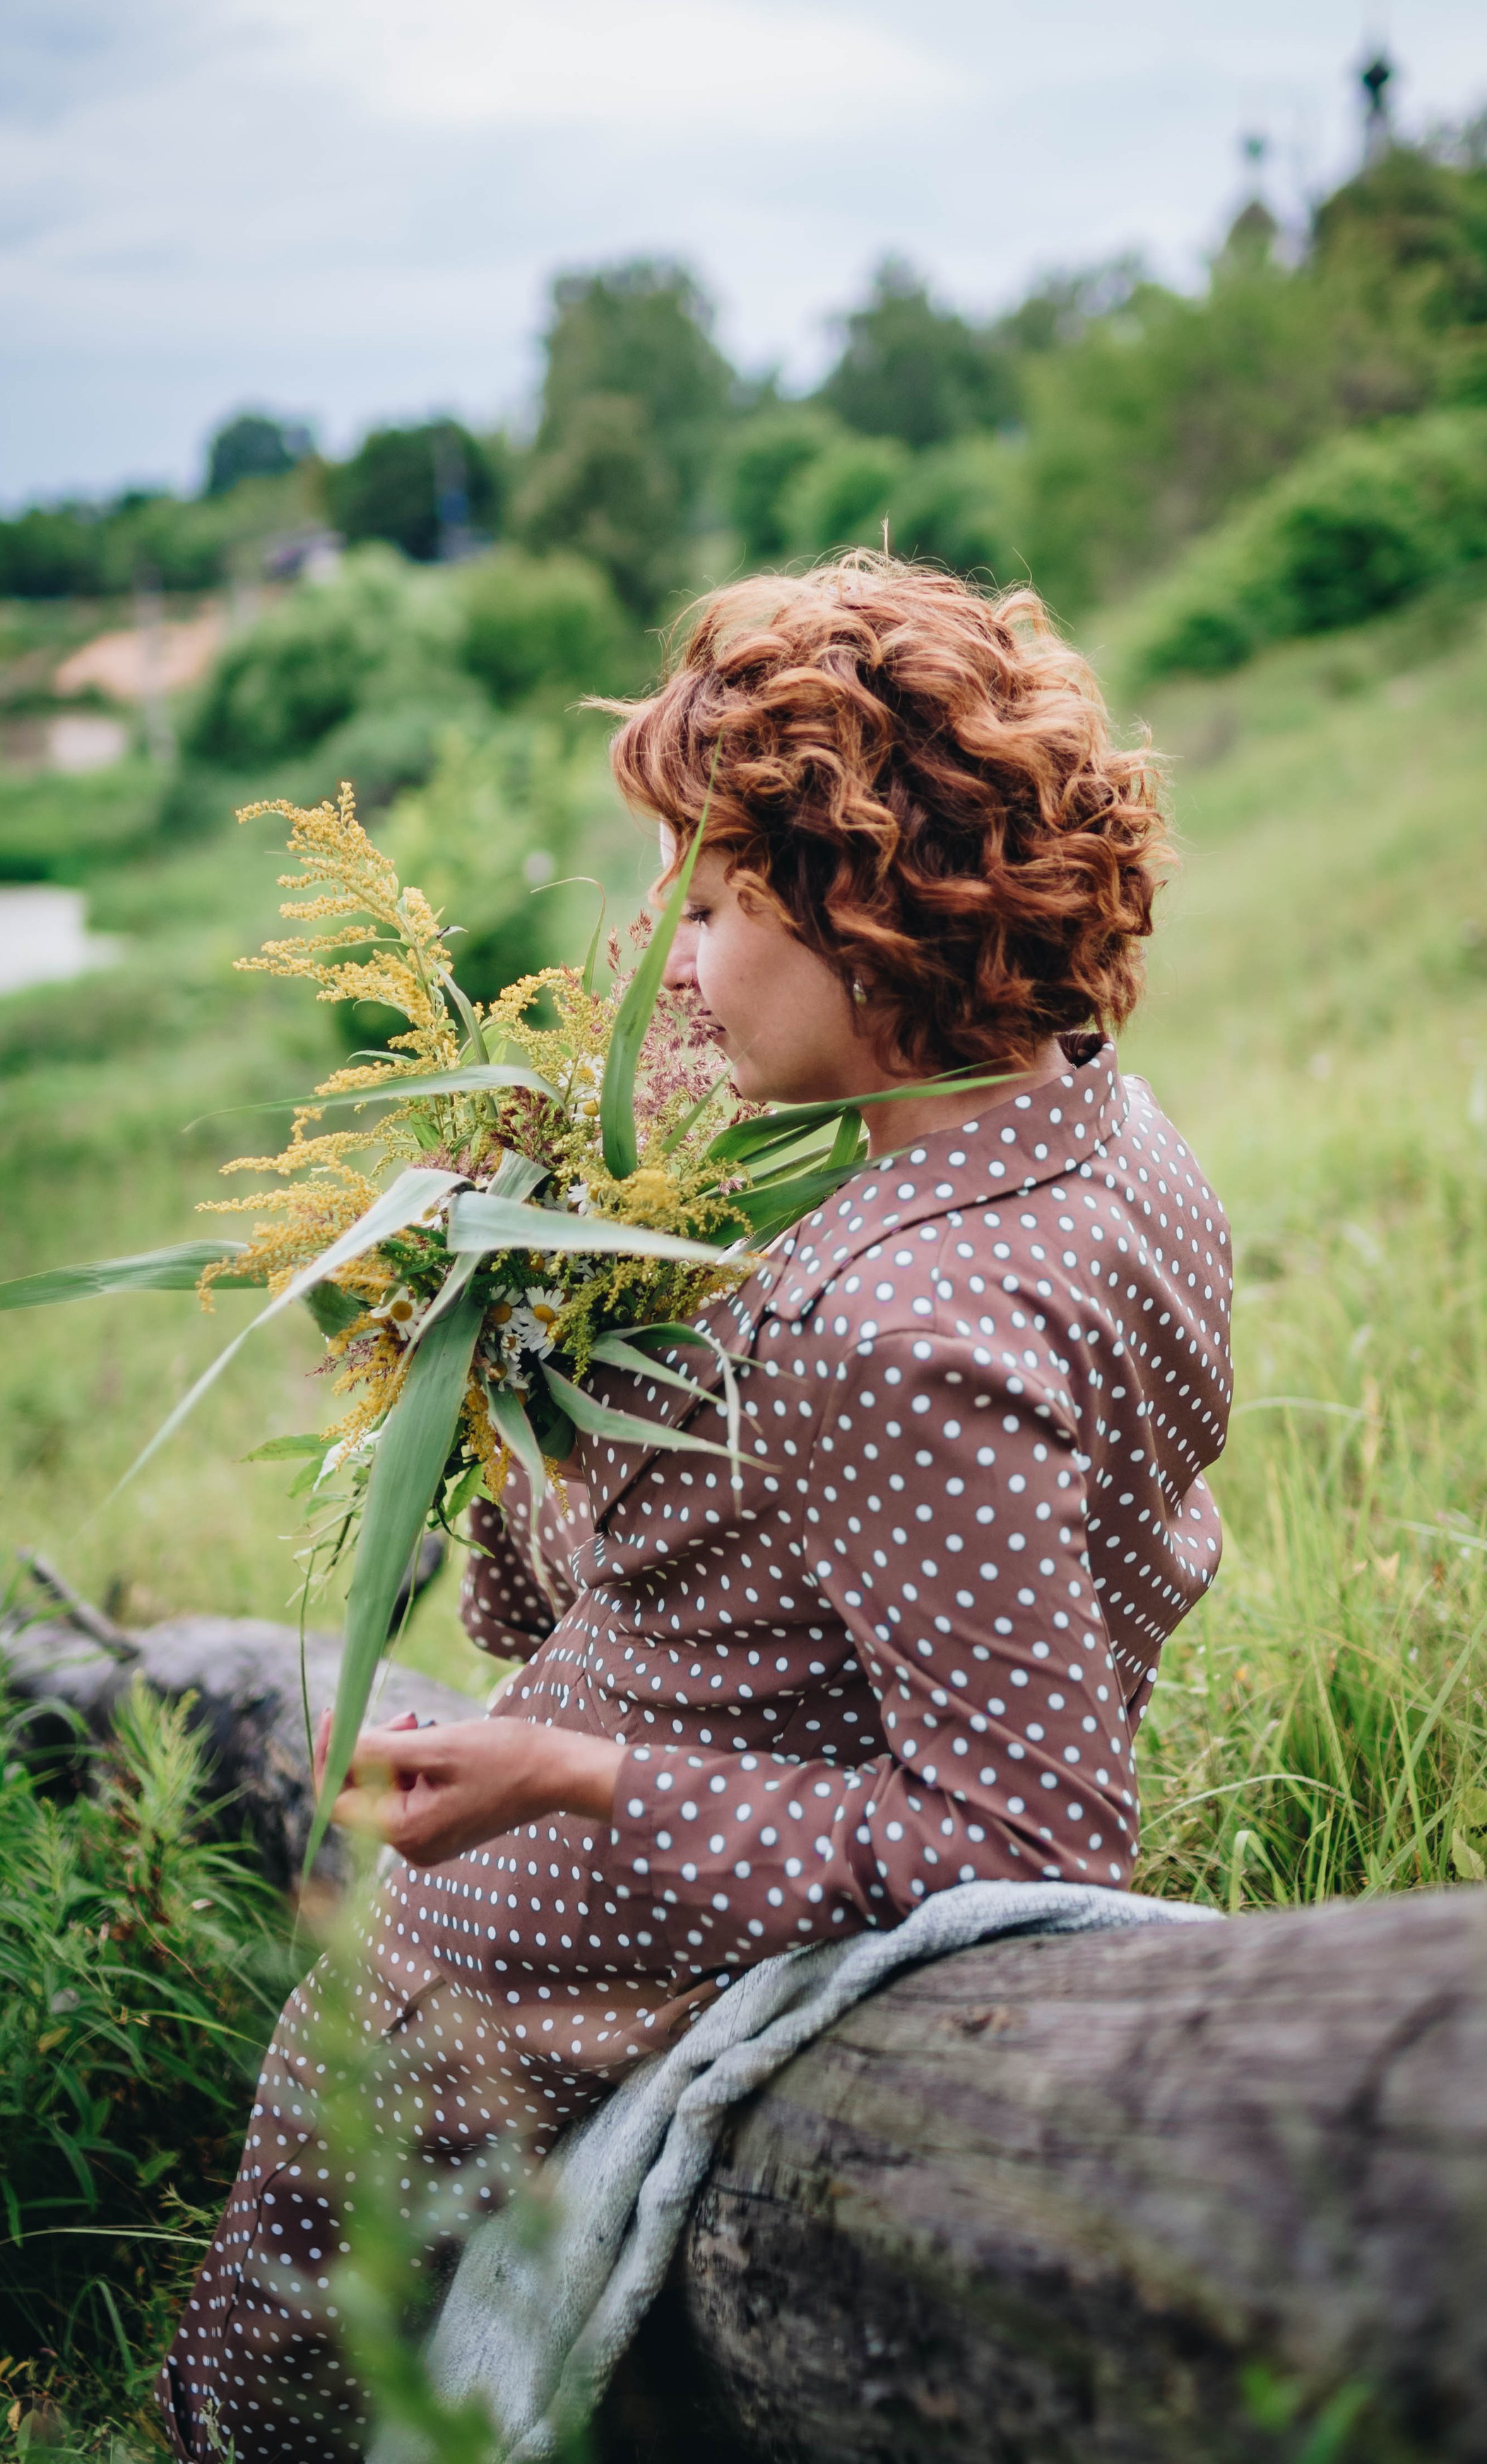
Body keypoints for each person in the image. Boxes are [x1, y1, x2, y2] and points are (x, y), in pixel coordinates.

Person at [159, 554, 1232, 2459]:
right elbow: (756, 1572)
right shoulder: (1105, 1137)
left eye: (718, 899)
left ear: (879, 920)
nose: (665, 940)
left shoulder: (892, 1326)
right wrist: (513, 1372)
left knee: (294, 2352)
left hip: (543, 1978)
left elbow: (1035, 1828)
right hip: (646, 1843)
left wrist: (571, 1776)